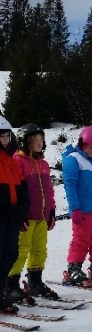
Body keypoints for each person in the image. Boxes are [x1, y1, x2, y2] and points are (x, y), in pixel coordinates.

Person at [4, 124, 57, 305]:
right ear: (26, 142)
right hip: (27, 216)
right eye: (35, 140)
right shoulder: (19, 162)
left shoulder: (43, 164)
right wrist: (20, 213)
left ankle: (35, 280)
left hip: (42, 216)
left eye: (41, 140)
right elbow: (18, 190)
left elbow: (49, 191)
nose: (39, 144)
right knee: (21, 250)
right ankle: (11, 283)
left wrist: (51, 210)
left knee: (39, 249)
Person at [62, 125, 92, 286]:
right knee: (81, 239)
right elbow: (70, 185)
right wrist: (74, 208)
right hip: (83, 209)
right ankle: (73, 268)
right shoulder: (73, 159)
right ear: (83, 144)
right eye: (91, 148)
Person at [0, 116, 29, 313]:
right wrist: (10, 211)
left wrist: (21, 212)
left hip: (12, 219)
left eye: (7, 136)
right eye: (1, 137)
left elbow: (23, 190)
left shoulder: (12, 162)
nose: (5, 140)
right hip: (2, 217)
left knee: (10, 255)